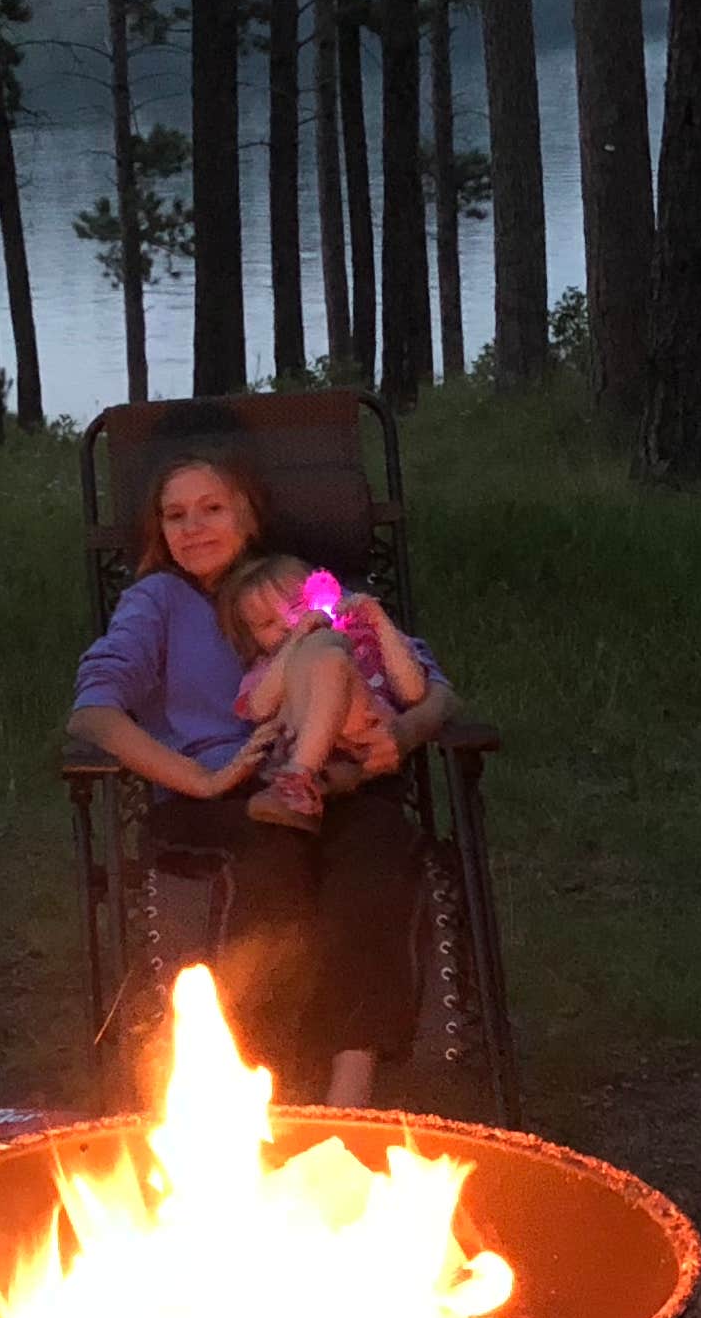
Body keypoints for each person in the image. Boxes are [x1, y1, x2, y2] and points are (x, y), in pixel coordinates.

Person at [69, 448, 458, 1107]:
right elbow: (93, 713)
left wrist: (401, 734)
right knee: (272, 858)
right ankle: (263, 1079)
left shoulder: (298, 585)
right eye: (175, 515)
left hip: (339, 780)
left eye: (212, 508)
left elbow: (435, 689)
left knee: (377, 851)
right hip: (221, 795)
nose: (193, 527)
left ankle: (349, 1088)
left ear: (248, 516)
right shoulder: (156, 602)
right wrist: (200, 776)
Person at [216, 555, 433, 827]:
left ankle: (298, 777)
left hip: (365, 734)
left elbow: (413, 693)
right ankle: (311, 789)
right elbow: (260, 708)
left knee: (330, 653)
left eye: (297, 607)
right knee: (320, 648)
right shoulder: (269, 665)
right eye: (267, 624)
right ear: (251, 638)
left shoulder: (366, 641)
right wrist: (297, 639)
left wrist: (379, 622)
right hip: (317, 751)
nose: (287, 623)